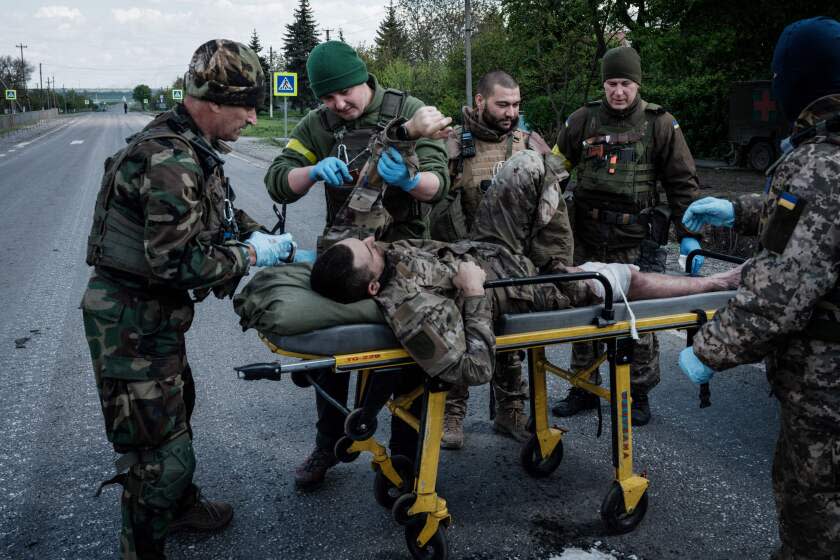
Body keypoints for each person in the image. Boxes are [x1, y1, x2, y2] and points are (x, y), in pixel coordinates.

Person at [82, 39, 300, 559]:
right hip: (129, 323)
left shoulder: (192, 146)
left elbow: (215, 217)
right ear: (211, 101)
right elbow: (179, 263)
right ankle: (142, 545)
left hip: (154, 318)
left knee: (178, 411)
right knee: (159, 455)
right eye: (245, 106)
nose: (252, 118)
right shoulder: (169, 159)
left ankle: (179, 508)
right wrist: (252, 256)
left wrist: (266, 238)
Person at [309, 167, 738, 389]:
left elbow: (349, 229)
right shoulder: (411, 311)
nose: (371, 240)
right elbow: (470, 368)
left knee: (528, 165)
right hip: (528, 288)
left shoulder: (368, 260)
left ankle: (556, 253)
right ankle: (719, 283)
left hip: (494, 246)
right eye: (368, 247)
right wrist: (474, 294)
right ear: (371, 286)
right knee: (619, 277)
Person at [678, 17, 840, 560]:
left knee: (813, 514)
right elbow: (815, 228)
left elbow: (778, 295)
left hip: (827, 385)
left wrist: (709, 350)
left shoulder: (820, 163)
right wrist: (739, 210)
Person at [263, 41, 451, 490]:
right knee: (332, 348)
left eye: (345, 93)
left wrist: (409, 180)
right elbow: (277, 181)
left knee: (410, 350)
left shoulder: (409, 110)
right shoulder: (319, 124)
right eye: (328, 98)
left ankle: (404, 459)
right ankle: (328, 442)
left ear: (364, 77)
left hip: (406, 254)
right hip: (346, 252)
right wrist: (310, 172)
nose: (339, 104)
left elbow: (438, 183)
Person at [551, 46, 702, 425]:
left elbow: (682, 184)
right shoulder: (582, 120)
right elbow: (553, 171)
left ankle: (638, 394)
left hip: (636, 238)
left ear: (637, 84)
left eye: (626, 84)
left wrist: (690, 236)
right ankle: (583, 387)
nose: (619, 92)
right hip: (586, 234)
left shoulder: (661, 125)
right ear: (604, 84)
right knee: (585, 313)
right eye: (612, 83)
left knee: (638, 318)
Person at [429, 70, 555, 449]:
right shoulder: (451, 146)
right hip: (464, 262)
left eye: (516, 104)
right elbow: (432, 213)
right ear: (481, 101)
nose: (511, 112)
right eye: (503, 104)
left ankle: (510, 411)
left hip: (513, 262)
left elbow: (553, 208)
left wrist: (553, 261)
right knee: (463, 339)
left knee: (511, 340)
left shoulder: (529, 145)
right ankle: (453, 415)